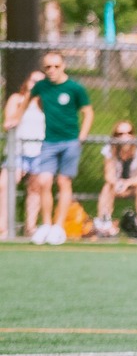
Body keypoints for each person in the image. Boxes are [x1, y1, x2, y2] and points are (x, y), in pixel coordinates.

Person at [22, 51, 92, 243]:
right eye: (48, 67)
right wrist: (15, 118)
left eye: (56, 66)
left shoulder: (75, 88)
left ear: (63, 66)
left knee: (63, 182)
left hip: (70, 141)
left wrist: (81, 137)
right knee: (44, 181)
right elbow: (26, 99)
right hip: (49, 142)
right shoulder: (41, 86)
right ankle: (45, 225)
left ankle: (58, 227)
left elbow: (88, 112)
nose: (52, 70)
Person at [5, 71, 50, 242]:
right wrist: (26, 101)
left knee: (35, 189)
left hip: (39, 152)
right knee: (5, 185)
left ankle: (30, 227)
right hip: (18, 152)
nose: (36, 84)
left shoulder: (45, 103)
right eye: (33, 80)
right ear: (27, 81)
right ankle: (3, 227)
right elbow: (8, 122)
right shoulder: (17, 99)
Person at [96, 121, 137, 234]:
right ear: (115, 136)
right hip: (120, 185)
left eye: (129, 133)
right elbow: (108, 175)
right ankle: (104, 222)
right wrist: (118, 184)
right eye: (120, 134)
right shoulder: (109, 150)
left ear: (133, 135)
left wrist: (127, 183)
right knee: (107, 187)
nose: (125, 137)